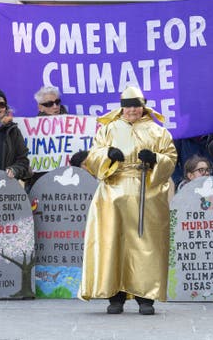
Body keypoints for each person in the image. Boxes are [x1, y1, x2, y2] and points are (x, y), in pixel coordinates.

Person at [79, 86, 177, 315]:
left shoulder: (158, 131)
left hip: (148, 193)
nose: (132, 110)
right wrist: (107, 155)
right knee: (113, 242)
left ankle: (146, 297)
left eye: (136, 105)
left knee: (146, 243)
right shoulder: (109, 129)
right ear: (122, 107)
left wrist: (155, 159)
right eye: (128, 105)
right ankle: (115, 296)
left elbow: (171, 158)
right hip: (112, 192)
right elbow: (93, 156)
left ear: (143, 106)